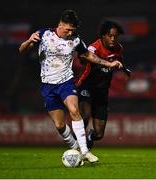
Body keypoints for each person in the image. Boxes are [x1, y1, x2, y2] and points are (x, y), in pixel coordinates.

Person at [19, 10, 123, 163]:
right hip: (48, 85)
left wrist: (109, 63)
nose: (70, 32)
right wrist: (29, 41)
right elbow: (21, 49)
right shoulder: (44, 34)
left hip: (66, 82)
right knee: (60, 125)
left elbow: (89, 55)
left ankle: (86, 151)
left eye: (73, 30)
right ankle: (76, 148)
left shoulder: (75, 40)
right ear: (60, 25)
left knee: (74, 110)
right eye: (68, 29)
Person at [76, 20, 131, 149]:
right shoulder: (94, 47)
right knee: (84, 117)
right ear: (103, 35)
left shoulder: (119, 48)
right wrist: (83, 59)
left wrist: (125, 69)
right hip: (87, 86)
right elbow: (84, 57)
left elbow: (118, 58)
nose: (113, 39)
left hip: (102, 92)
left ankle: (90, 137)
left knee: (99, 134)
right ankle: (76, 147)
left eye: (115, 36)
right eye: (110, 35)